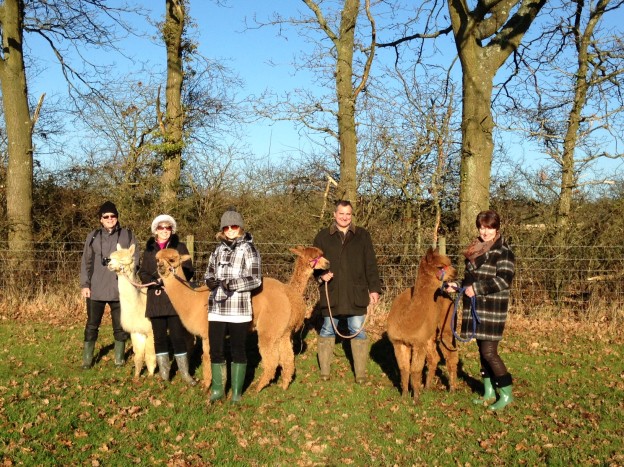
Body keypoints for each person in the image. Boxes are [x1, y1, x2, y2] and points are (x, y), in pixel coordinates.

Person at [445, 210, 516, 411]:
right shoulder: (475, 249)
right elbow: (470, 279)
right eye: (482, 227)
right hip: (475, 309)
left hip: (492, 309)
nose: (484, 232)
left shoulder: (504, 251)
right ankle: (489, 392)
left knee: (489, 352)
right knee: (482, 352)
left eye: (489, 227)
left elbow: (503, 280)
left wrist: (476, 289)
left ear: (496, 228)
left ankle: (506, 393)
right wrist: (457, 286)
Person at [313, 200, 382, 384]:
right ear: (334, 214)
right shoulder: (322, 237)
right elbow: (313, 262)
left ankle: (360, 374)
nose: (344, 217)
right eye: (341, 213)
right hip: (332, 291)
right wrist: (321, 276)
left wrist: (374, 289)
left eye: (348, 214)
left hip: (356, 292)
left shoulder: (362, 235)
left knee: (357, 330)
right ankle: (325, 373)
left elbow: (371, 264)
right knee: (328, 329)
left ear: (351, 215)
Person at [204, 207, 261, 403]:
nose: (230, 230)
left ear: (240, 228)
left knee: (238, 349)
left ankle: (236, 393)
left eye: (234, 226)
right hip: (217, 308)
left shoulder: (249, 249)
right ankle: (218, 390)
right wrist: (209, 281)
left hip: (238, 309)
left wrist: (234, 284)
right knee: (216, 349)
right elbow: (208, 273)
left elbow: (255, 279)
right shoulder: (217, 250)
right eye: (226, 227)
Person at [138, 214, 196, 386]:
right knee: (159, 337)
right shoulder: (149, 250)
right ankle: (164, 374)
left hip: (175, 299)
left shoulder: (180, 247)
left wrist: (171, 278)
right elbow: (143, 272)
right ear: (156, 230)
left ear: (172, 230)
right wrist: (155, 281)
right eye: (161, 227)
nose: (164, 231)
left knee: (178, 336)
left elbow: (188, 270)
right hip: (156, 297)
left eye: (168, 227)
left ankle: (185, 373)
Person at [79, 201, 138, 370]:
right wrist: (85, 284)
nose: (110, 219)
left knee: (120, 326)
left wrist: (131, 277)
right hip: (96, 288)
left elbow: (136, 258)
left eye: (113, 216)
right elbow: (86, 262)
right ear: (101, 219)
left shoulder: (127, 235)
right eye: (106, 216)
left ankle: (119, 359)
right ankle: (87, 359)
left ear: (117, 217)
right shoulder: (93, 236)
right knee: (92, 324)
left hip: (120, 289)